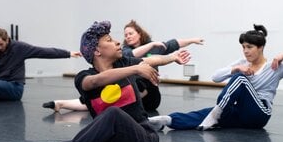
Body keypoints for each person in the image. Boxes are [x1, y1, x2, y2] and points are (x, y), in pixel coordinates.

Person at [0, 20, 191, 142]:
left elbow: (151, 61)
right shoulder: (85, 77)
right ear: (97, 52)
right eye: (110, 40)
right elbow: (96, 82)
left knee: (112, 115)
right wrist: (135, 71)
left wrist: (172, 57)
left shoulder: (125, 63)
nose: (118, 42)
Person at [148, 24, 283, 131]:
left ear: (261, 48)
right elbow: (215, 77)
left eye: (250, 47)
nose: (245, 51)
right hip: (241, 113)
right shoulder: (242, 63)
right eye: (243, 47)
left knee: (240, 79)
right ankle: (167, 121)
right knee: (203, 113)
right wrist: (235, 68)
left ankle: (216, 113)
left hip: (259, 114)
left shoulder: (274, 67)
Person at [42, 20, 203, 112]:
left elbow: (157, 55)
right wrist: (139, 66)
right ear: (97, 51)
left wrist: (177, 53)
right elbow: (95, 81)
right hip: (119, 94)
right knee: (100, 97)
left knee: (136, 82)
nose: (124, 38)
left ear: (139, 33)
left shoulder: (139, 52)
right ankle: (61, 103)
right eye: (125, 34)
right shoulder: (124, 53)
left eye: (130, 33)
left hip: (146, 94)